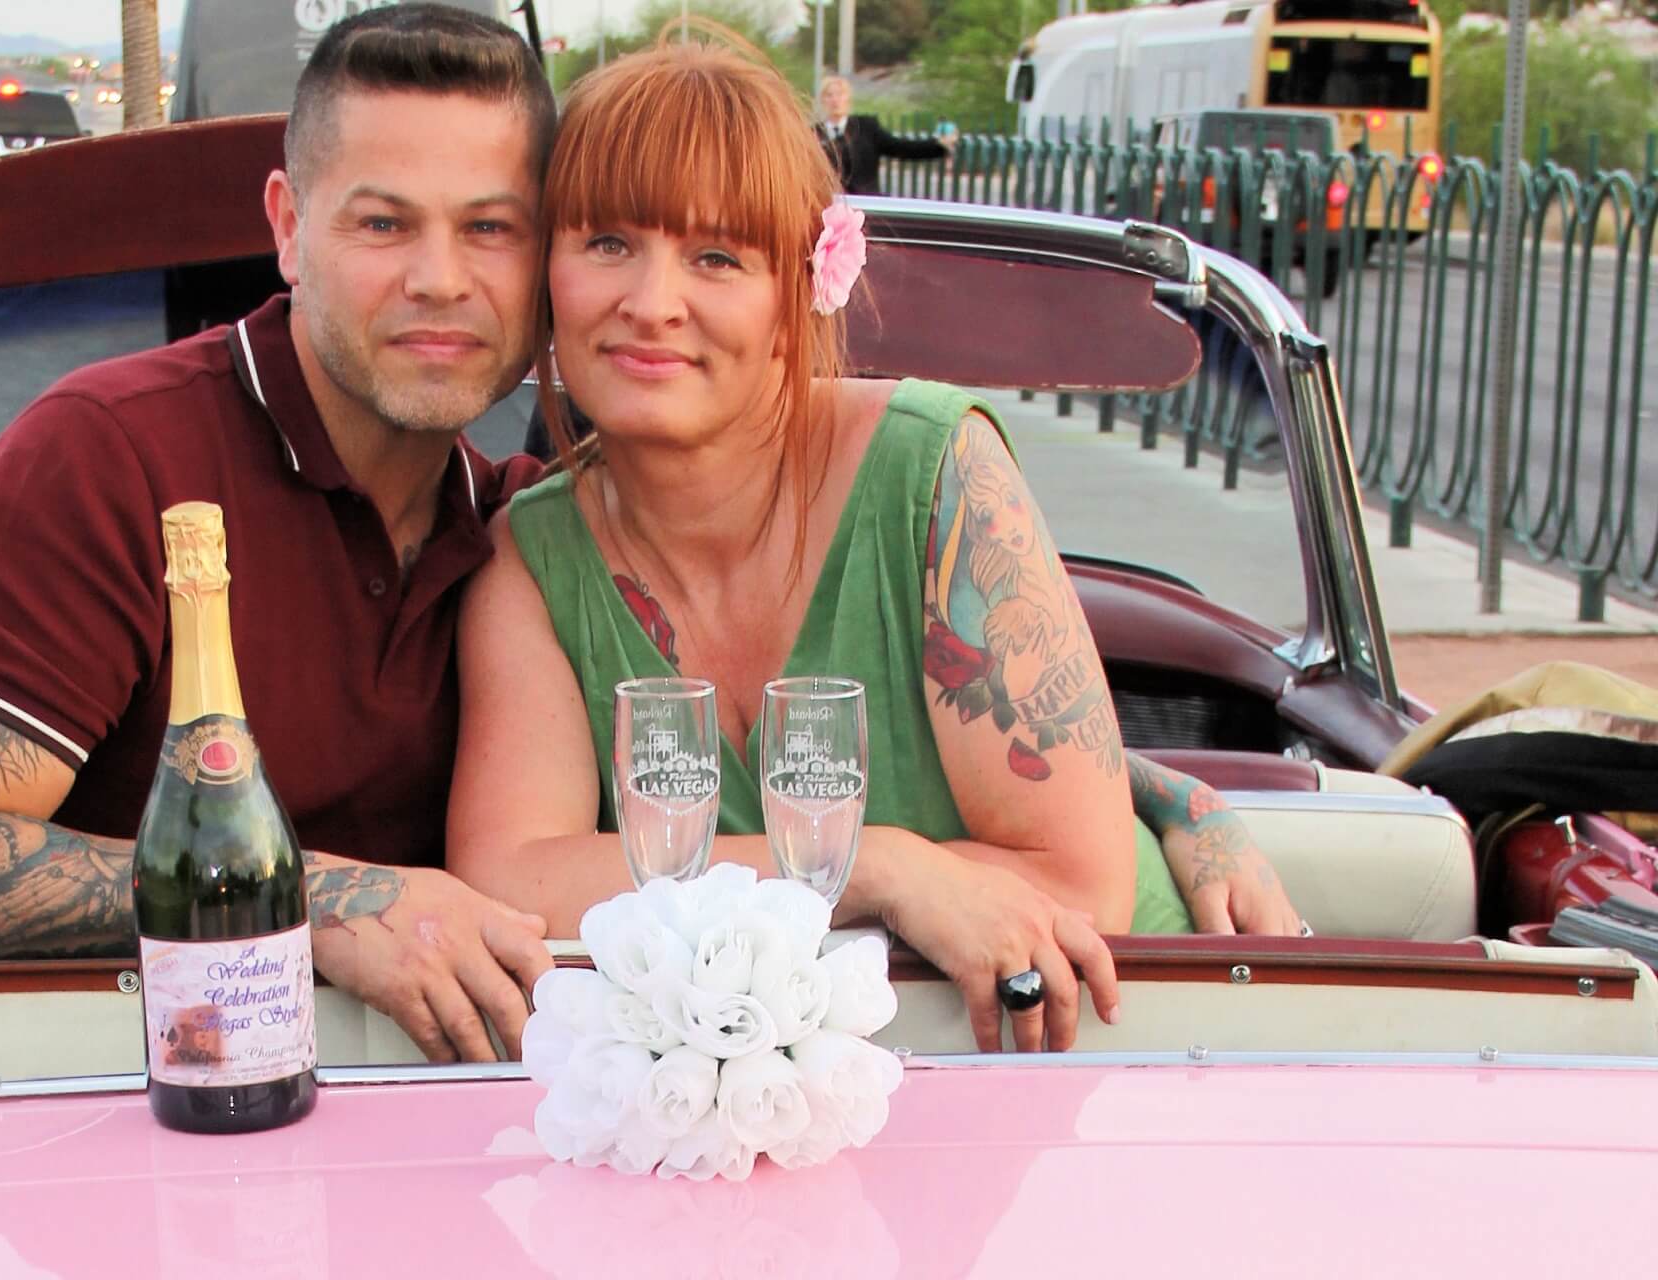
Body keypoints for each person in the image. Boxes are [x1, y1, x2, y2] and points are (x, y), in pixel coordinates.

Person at [446, 28, 1305, 1056]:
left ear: (793, 292)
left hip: (1106, 1043)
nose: (651, 301)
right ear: (551, 273)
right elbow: (510, 878)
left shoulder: (934, 474)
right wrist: (874, 868)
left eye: (716, 255)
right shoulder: (531, 559)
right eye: (608, 242)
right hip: (746, 1098)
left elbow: (1083, 887)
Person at [0, 4, 560, 1066]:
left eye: (491, 228)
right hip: (95, 1111)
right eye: (382, 224)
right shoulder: (108, 458)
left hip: (427, 1131)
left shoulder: (523, 524)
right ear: (287, 225)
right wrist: (322, 897)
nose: (440, 279)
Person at [814, 75, 952, 196]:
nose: (835, 100)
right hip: (829, 203)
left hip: (867, 203)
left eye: (840, 94)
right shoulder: (813, 134)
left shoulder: (866, 128)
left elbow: (900, 147)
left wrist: (938, 146)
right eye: (829, 95)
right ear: (822, 99)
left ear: (848, 98)